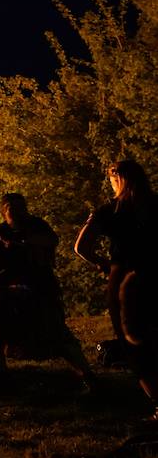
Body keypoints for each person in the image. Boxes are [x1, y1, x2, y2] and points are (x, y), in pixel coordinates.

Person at [0, 193, 96, 389]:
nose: (18, 211)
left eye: (21, 206)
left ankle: (88, 376)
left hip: (38, 289)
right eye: (12, 207)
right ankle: (3, 375)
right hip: (1, 292)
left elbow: (51, 241)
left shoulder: (38, 226)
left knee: (57, 334)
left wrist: (23, 243)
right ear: (4, 211)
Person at [76, 160, 158, 418]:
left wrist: (101, 263)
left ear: (116, 180)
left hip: (124, 279)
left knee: (134, 341)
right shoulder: (156, 205)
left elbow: (81, 247)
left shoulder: (109, 211)